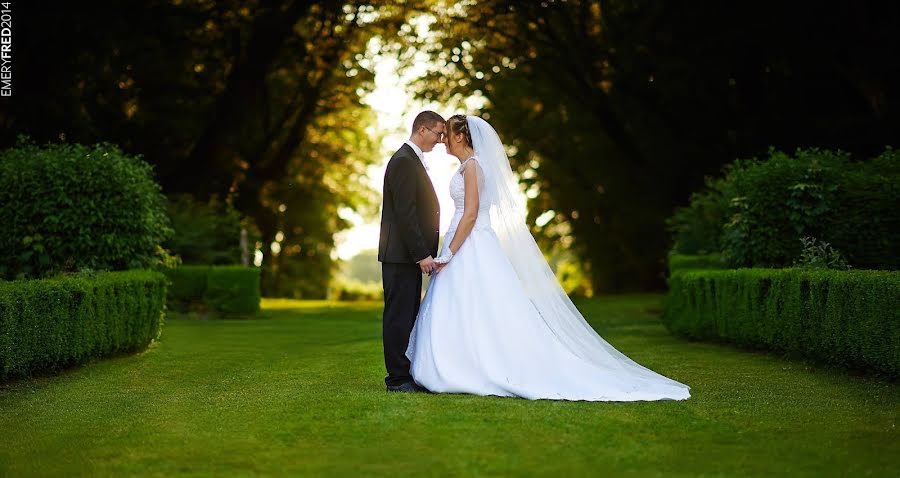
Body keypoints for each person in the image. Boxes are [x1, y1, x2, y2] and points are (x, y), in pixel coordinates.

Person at [406, 115, 691, 401]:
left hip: (470, 243)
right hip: (465, 241)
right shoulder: (468, 167)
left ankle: (476, 367)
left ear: (459, 137)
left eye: (447, 135)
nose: (443, 140)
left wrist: (451, 252)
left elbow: (470, 214)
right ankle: (461, 363)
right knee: (463, 303)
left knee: (480, 303)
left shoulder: (472, 168)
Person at [377, 111, 445, 393]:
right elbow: (406, 214)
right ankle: (397, 379)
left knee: (408, 313)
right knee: (398, 315)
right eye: (438, 133)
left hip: (406, 255)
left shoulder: (411, 160)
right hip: (401, 255)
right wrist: (421, 254)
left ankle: (406, 373)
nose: (441, 140)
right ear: (422, 130)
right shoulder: (404, 161)